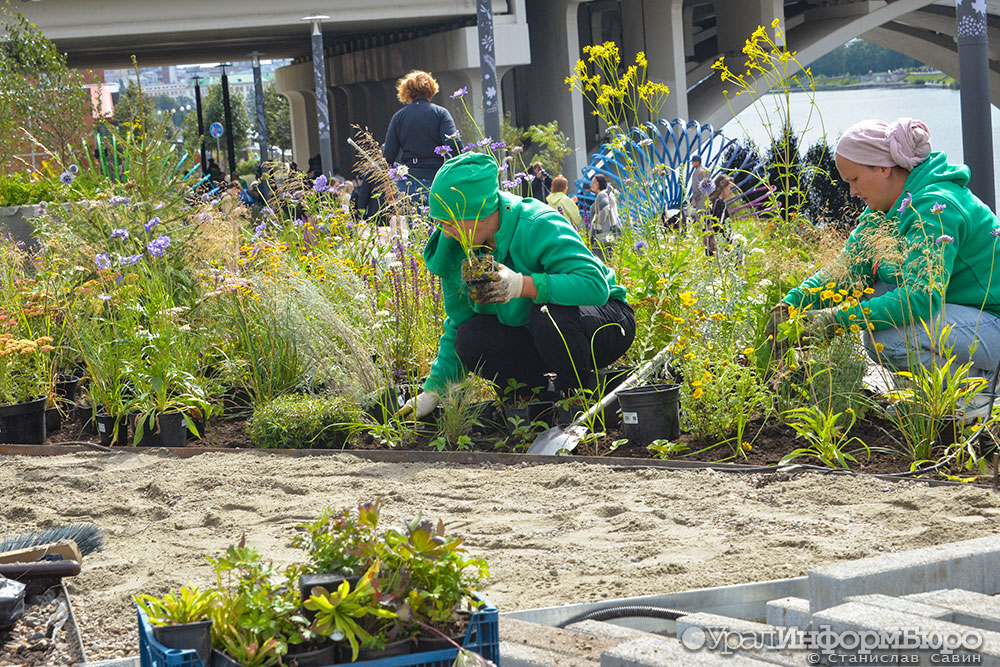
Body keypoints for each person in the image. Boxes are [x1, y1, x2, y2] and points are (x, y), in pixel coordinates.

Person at [768, 117, 1000, 422]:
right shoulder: (886, 208)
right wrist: (794, 303)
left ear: (882, 168)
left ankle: (973, 398)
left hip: (991, 322)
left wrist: (836, 320)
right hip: (964, 319)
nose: (851, 192)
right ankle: (930, 399)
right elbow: (849, 270)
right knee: (881, 300)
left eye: (854, 180)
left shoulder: (935, 209)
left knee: (887, 336)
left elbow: (920, 298)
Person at [399, 152, 636, 420]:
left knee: (546, 313)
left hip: (604, 320)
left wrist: (523, 285)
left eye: (450, 221)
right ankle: (537, 399)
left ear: (479, 212)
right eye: (440, 222)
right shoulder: (455, 247)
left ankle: (578, 396)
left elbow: (594, 285)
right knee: (470, 336)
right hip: (537, 335)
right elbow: (458, 323)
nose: (444, 230)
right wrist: (434, 390)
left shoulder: (535, 223)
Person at [382, 70, 460, 205]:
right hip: (437, 179)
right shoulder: (440, 113)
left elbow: (388, 156)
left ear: (406, 92)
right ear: (432, 90)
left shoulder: (399, 117)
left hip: (408, 181)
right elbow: (455, 145)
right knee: (439, 223)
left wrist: (388, 185)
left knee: (415, 223)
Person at [588, 174, 620, 256]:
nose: (591, 185)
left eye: (594, 182)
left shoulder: (602, 195)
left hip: (603, 232)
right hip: (610, 231)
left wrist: (598, 221)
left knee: (602, 256)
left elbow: (605, 207)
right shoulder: (607, 193)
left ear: (600, 184)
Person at [703, 174, 734, 256]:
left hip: (710, 245)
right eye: (730, 188)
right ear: (723, 187)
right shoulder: (719, 203)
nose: (731, 192)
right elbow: (720, 227)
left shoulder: (711, 202)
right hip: (718, 246)